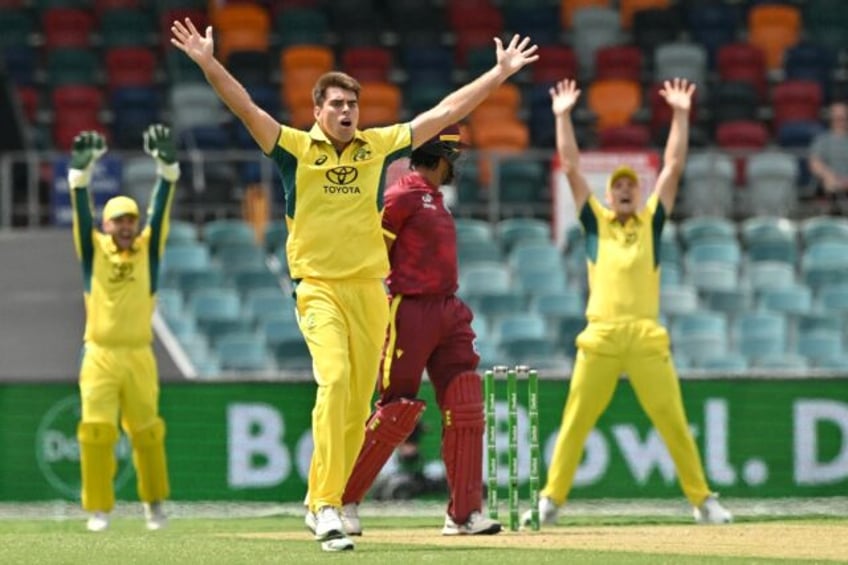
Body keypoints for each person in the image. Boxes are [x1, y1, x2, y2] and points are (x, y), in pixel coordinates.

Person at [170, 18, 537, 552]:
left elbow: (444, 114)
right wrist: (208, 62)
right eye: (337, 105)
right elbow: (245, 107)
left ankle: (336, 500)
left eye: (352, 106)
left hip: (370, 291)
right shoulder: (293, 148)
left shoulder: (376, 146)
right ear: (318, 110)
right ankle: (322, 505)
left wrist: (499, 73)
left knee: (357, 403)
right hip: (318, 287)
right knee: (336, 381)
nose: (346, 113)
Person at [521, 78, 733, 528]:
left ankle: (703, 500)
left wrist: (679, 113)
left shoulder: (651, 221)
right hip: (599, 335)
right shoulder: (595, 223)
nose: (623, 190)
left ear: (638, 193)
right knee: (576, 419)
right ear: (608, 193)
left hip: (644, 335)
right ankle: (550, 501)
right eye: (617, 186)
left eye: (630, 186)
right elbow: (573, 169)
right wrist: (562, 115)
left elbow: (673, 166)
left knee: (672, 421)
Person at [339, 125, 501, 537]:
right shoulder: (403, 194)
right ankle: (343, 502)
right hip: (410, 310)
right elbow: (372, 248)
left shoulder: (432, 198)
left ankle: (464, 514)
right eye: (454, 157)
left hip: (448, 308)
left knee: (465, 401)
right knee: (396, 409)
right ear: (442, 156)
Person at [69, 124, 179, 532]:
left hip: (139, 354)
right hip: (99, 353)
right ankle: (98, 509)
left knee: (148, 433)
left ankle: (154, 506)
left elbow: (161, 210)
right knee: (95, 432)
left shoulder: (148, 252)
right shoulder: (92, 252)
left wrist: (167, 169)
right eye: (119, 221)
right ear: (107, 225)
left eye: (131, 219)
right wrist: (80, 177)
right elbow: (81, 212)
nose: (127, 226)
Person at [808, 100, 848, 212]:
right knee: (828, 186)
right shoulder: (822, 140)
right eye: (837, 116)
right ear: (831, 118)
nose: (840, 119)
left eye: (842, 116)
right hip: (829, 185)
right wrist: (828, 175)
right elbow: (814, 163)